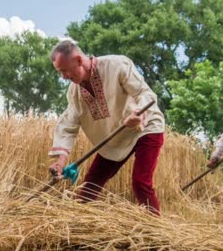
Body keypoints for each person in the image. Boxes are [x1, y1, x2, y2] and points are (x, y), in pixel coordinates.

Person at [48, 40, 165, 215]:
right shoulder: (74, 92)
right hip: (115, 136)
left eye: (64, 70)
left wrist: (139, 113)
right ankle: (78, 233)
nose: (64, 76)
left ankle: (157, 234)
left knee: (140, 182)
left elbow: (143, 93)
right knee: (89, 187)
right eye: (60, 72)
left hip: (146, 127)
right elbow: (68, 126)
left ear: (79, 60)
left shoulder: (116, 65)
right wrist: (61, 161)